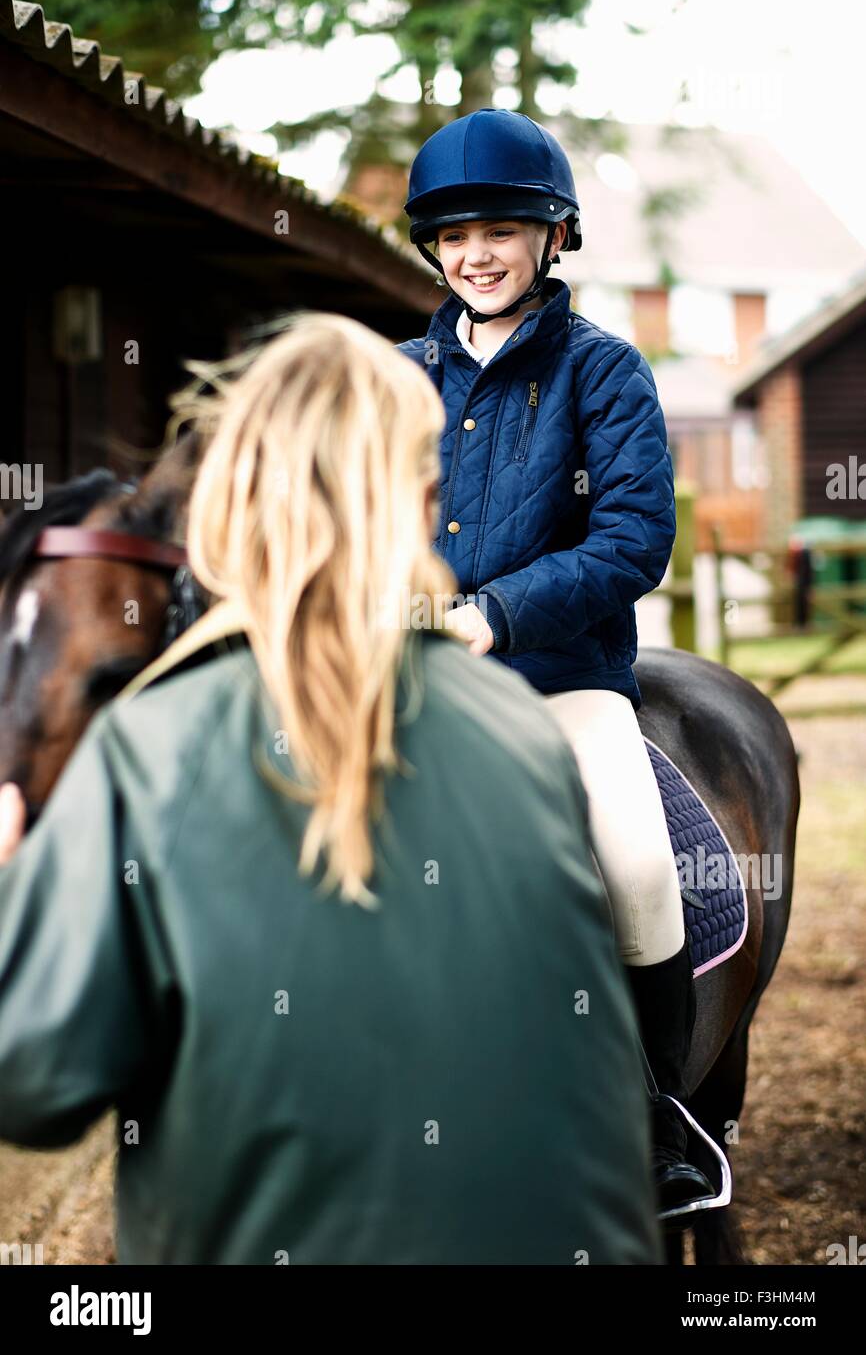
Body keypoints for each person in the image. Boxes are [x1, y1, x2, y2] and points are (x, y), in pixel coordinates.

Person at [0, 313, 662, 1265]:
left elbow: (34, 1090)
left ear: (228, 506)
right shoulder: (523, 734)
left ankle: (682, 1116)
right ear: (428, 501)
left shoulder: (148, 752)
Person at [398, 107, 714, 1212]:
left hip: (562, 678)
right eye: (452, 233)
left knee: (632, 864)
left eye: (499, 227)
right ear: (429, 246)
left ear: (551, 235)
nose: (474, 252)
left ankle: (659, 1115)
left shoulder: (603, 371)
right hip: (412, 682)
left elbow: (632, 538)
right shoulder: (392, 375)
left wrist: (494, 616)